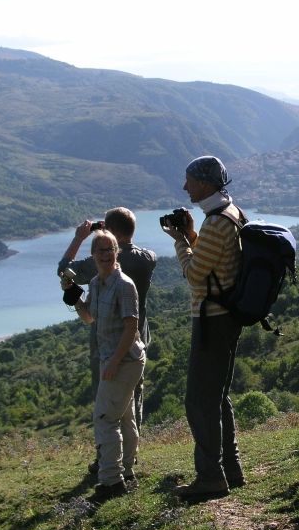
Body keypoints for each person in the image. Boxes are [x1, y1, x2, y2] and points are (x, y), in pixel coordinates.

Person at [162, 155, 246, 502]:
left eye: (190, 181)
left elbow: (196, 276)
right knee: (216, 396)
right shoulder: (230, 213)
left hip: (212, 319)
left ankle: (211, 477)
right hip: (226, 317)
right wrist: (193, 235)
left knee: (198, 400)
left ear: (205, 183)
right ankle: (231, 469)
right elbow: (214, 263)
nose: (185, 187)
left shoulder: (217, 222)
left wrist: (180, 241)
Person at [57, 207, 156, 473]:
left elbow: (64, 270)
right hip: (138, 343)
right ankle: (129, 459)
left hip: (109, 345)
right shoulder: (147, 259)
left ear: (112, 239)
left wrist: (80, 237)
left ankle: (108, 462)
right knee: (130, 404)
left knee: (106, 406)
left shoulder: (100, 266)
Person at [67, 230, 146, 501]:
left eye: (110, 249)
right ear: (93, 255)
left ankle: (111, 481)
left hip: (125, 360)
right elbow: (89, 318)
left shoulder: (124, 285)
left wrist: (113, 363)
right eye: (100, 250)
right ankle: (127, 472)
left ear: (117, 252)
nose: (106, 254)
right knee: (124, 416)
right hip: (111, 359)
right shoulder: (95, 283)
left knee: (104, 418)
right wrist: (73, 296)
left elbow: (131, 327)